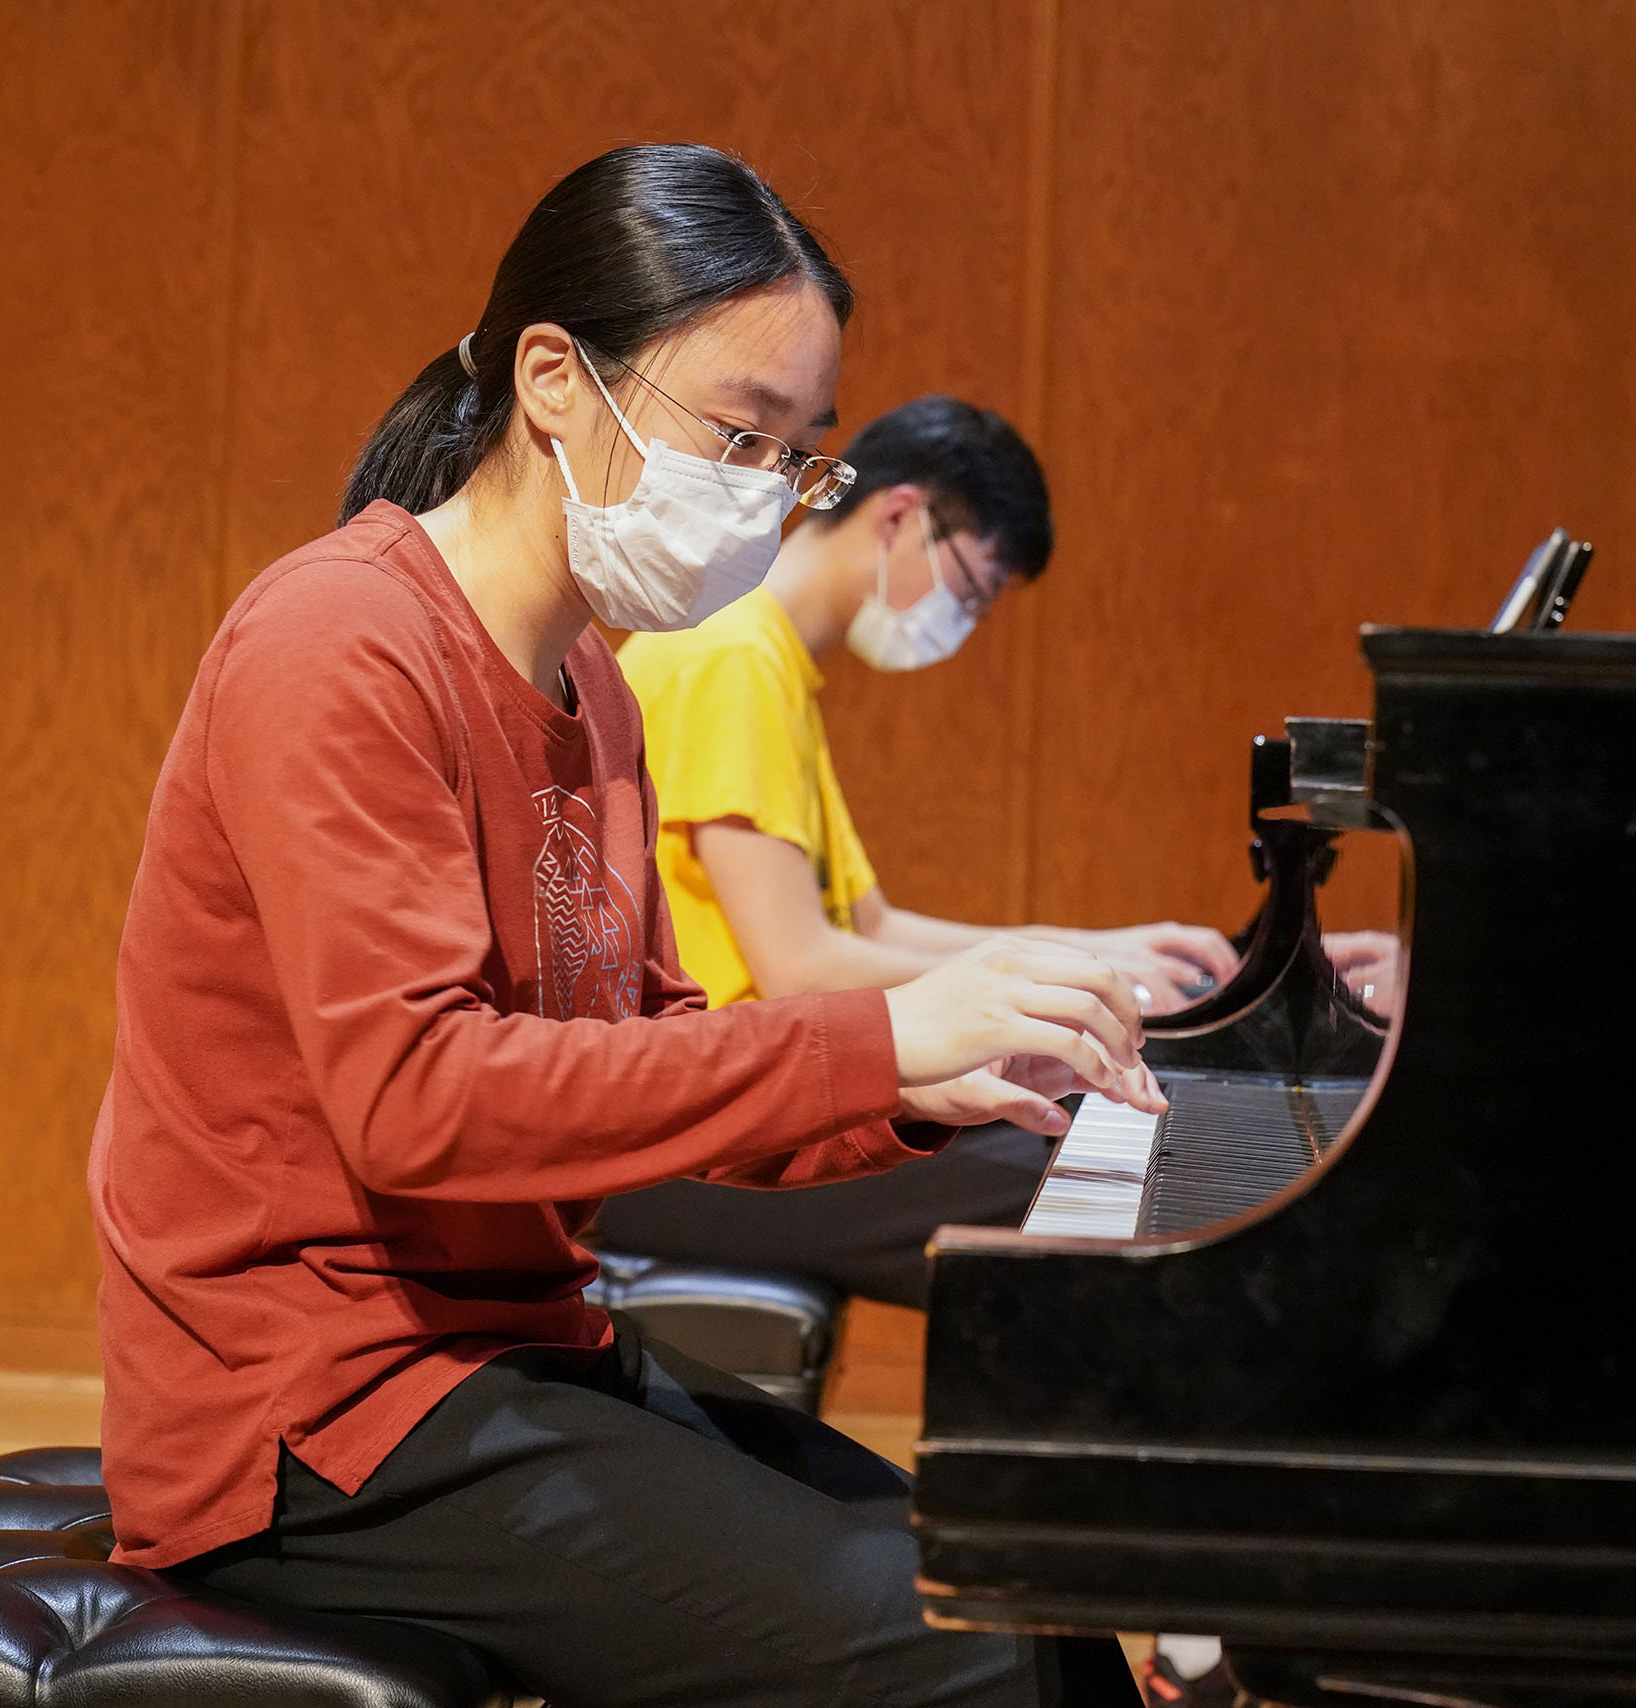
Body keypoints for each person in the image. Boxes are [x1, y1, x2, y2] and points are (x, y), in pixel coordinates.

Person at [87, 143, 1155, 1708]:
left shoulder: (593, 685)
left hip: (506, 1348)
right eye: (739, 432)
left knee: (1014, 1586)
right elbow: (416, 1100)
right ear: (553, 380)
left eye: (795, 454)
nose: (763, 491)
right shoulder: (338, 641)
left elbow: (644, 1047)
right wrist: (868, 1035)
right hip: (309, 1411)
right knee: (974, 1662)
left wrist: (922, 1086)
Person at [592, 397, 1256, 1304]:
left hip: (761, 1096)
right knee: (1099, 1189)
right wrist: (1050, 977)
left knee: (1084, 1140)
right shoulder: (728, 657)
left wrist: (1085, 952)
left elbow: (869, 922)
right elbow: (799, 965)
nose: (964, 623)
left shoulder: (767, 658)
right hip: (704, 1134)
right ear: (899, 514)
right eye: (971, 591)